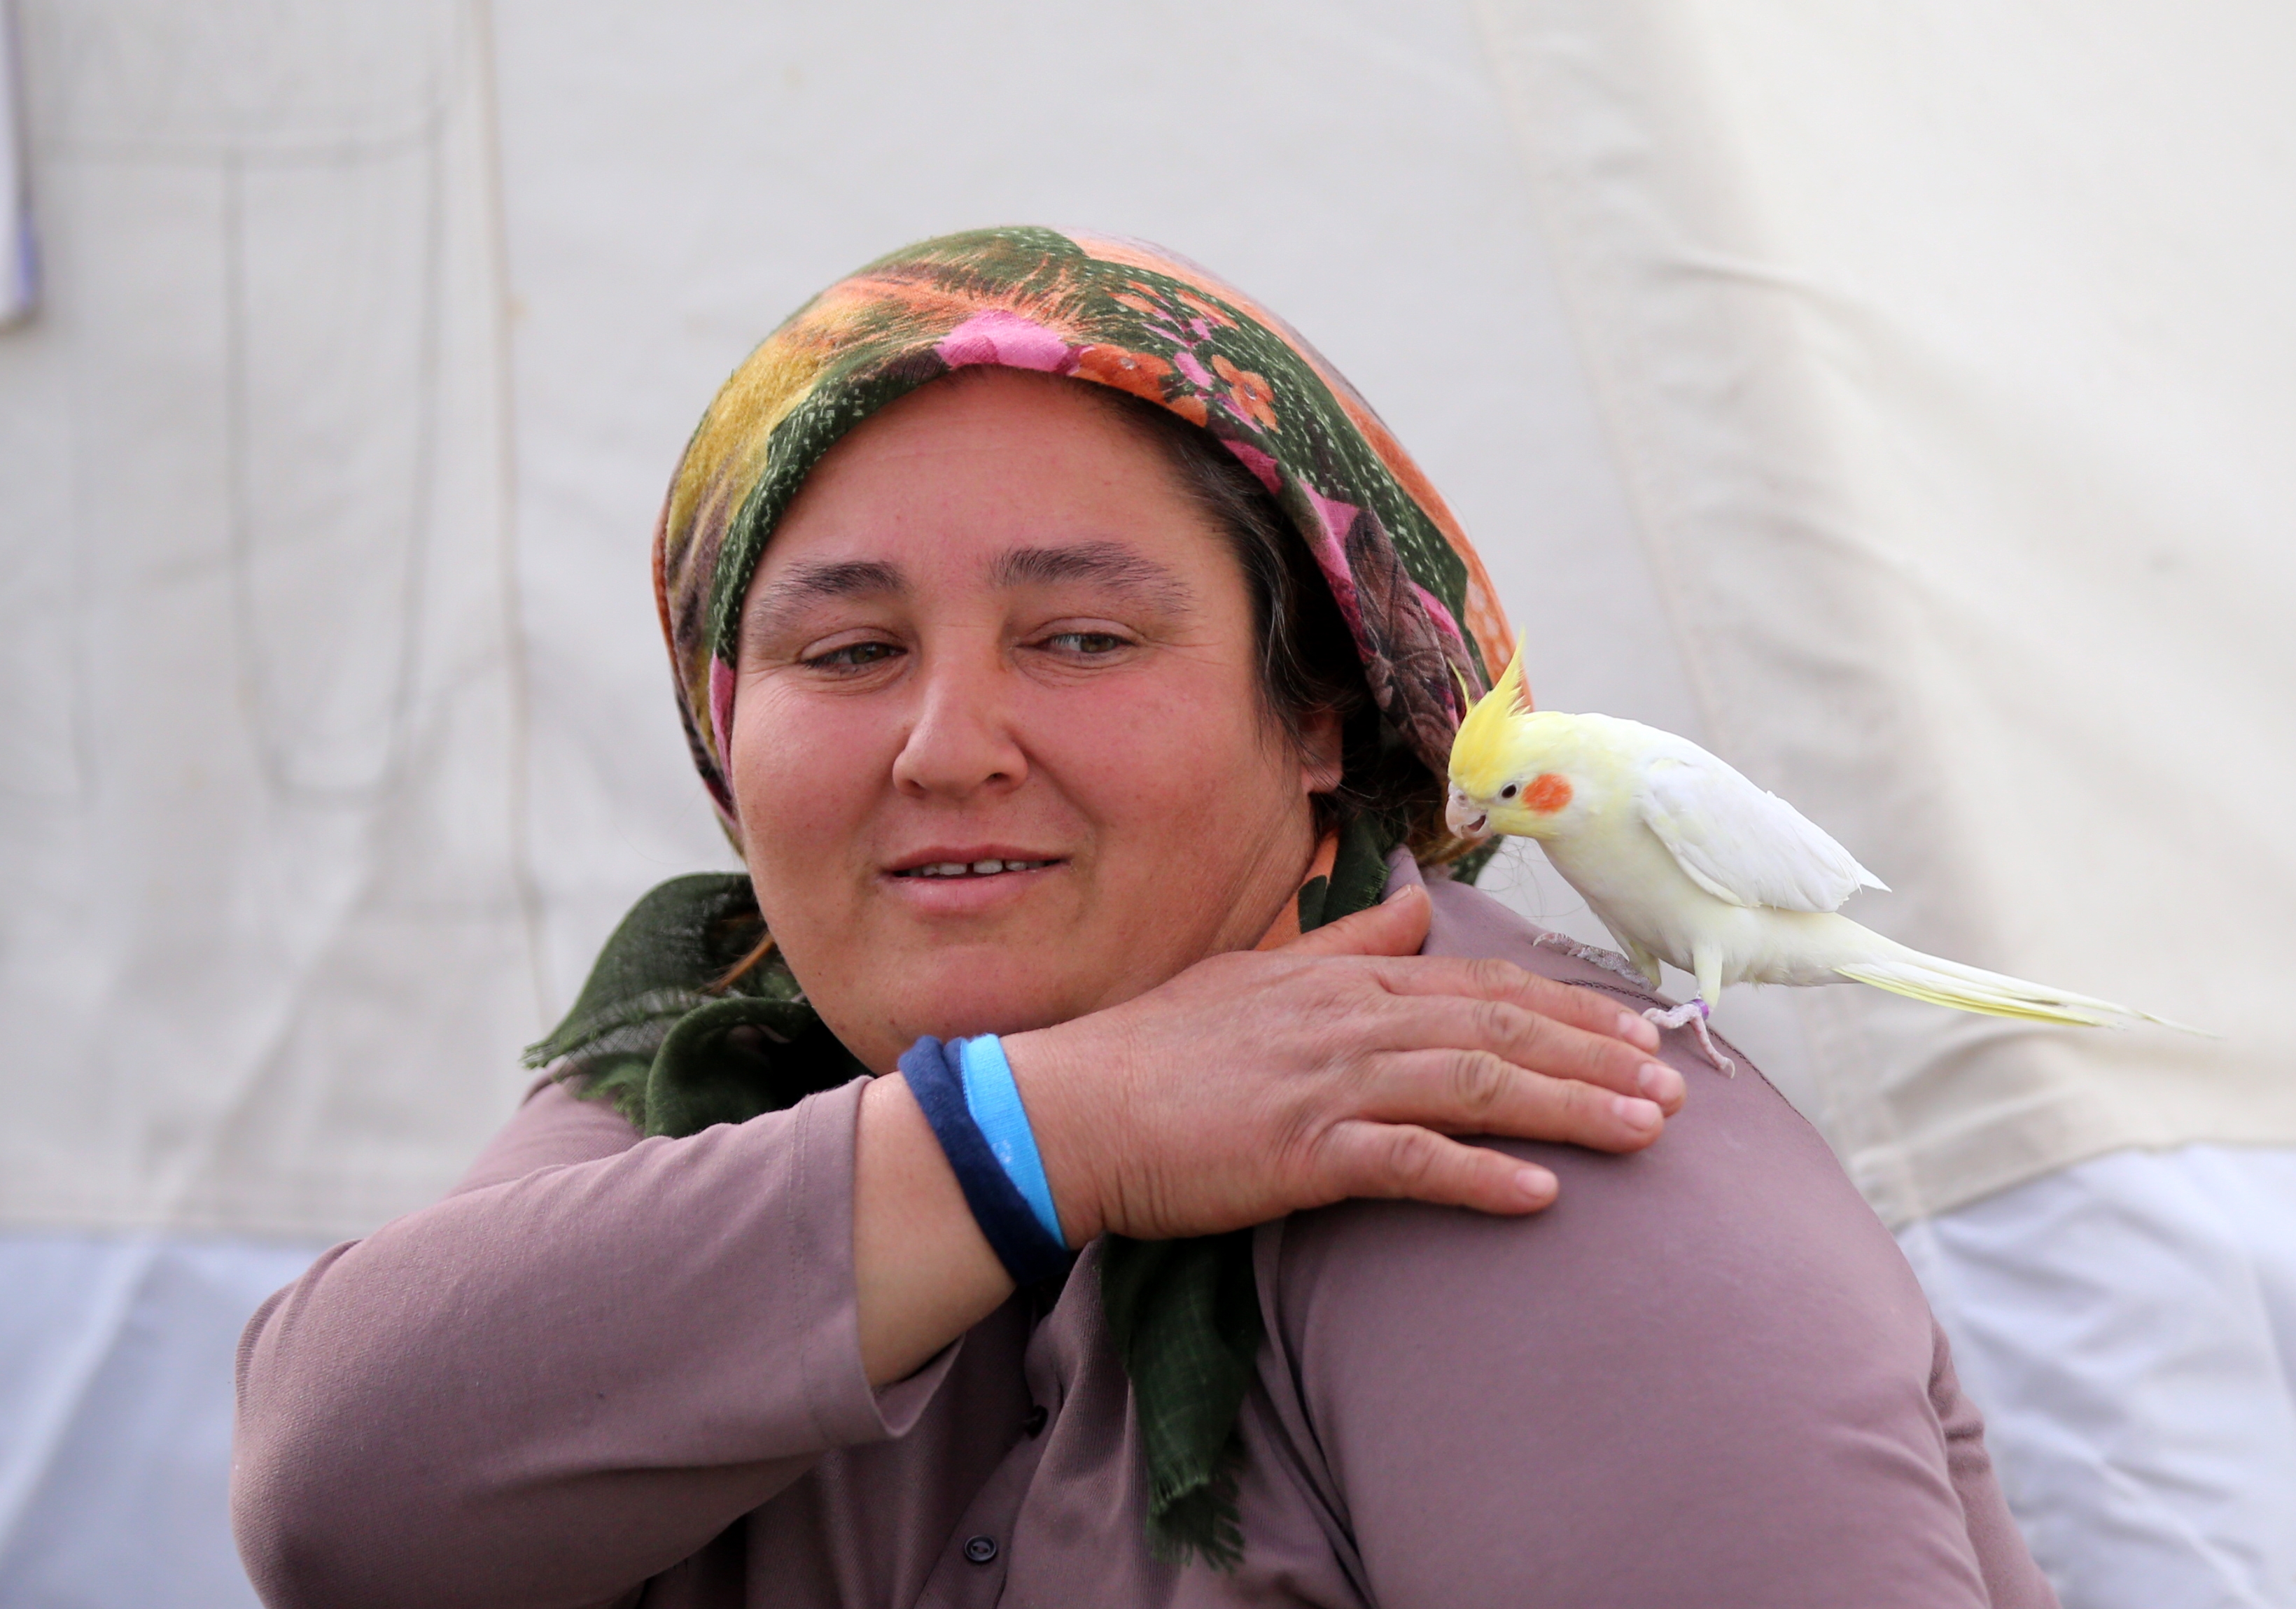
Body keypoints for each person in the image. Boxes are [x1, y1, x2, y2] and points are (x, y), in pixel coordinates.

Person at [230, 227, 2052, 1607]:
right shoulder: (741, 1056)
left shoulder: (1505, 1119)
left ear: (1319, 713)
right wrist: (1046, 1129)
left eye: (1081, 638)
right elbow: (341, 1485)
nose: (947, 747)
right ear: (727, 732)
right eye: (847, 651)